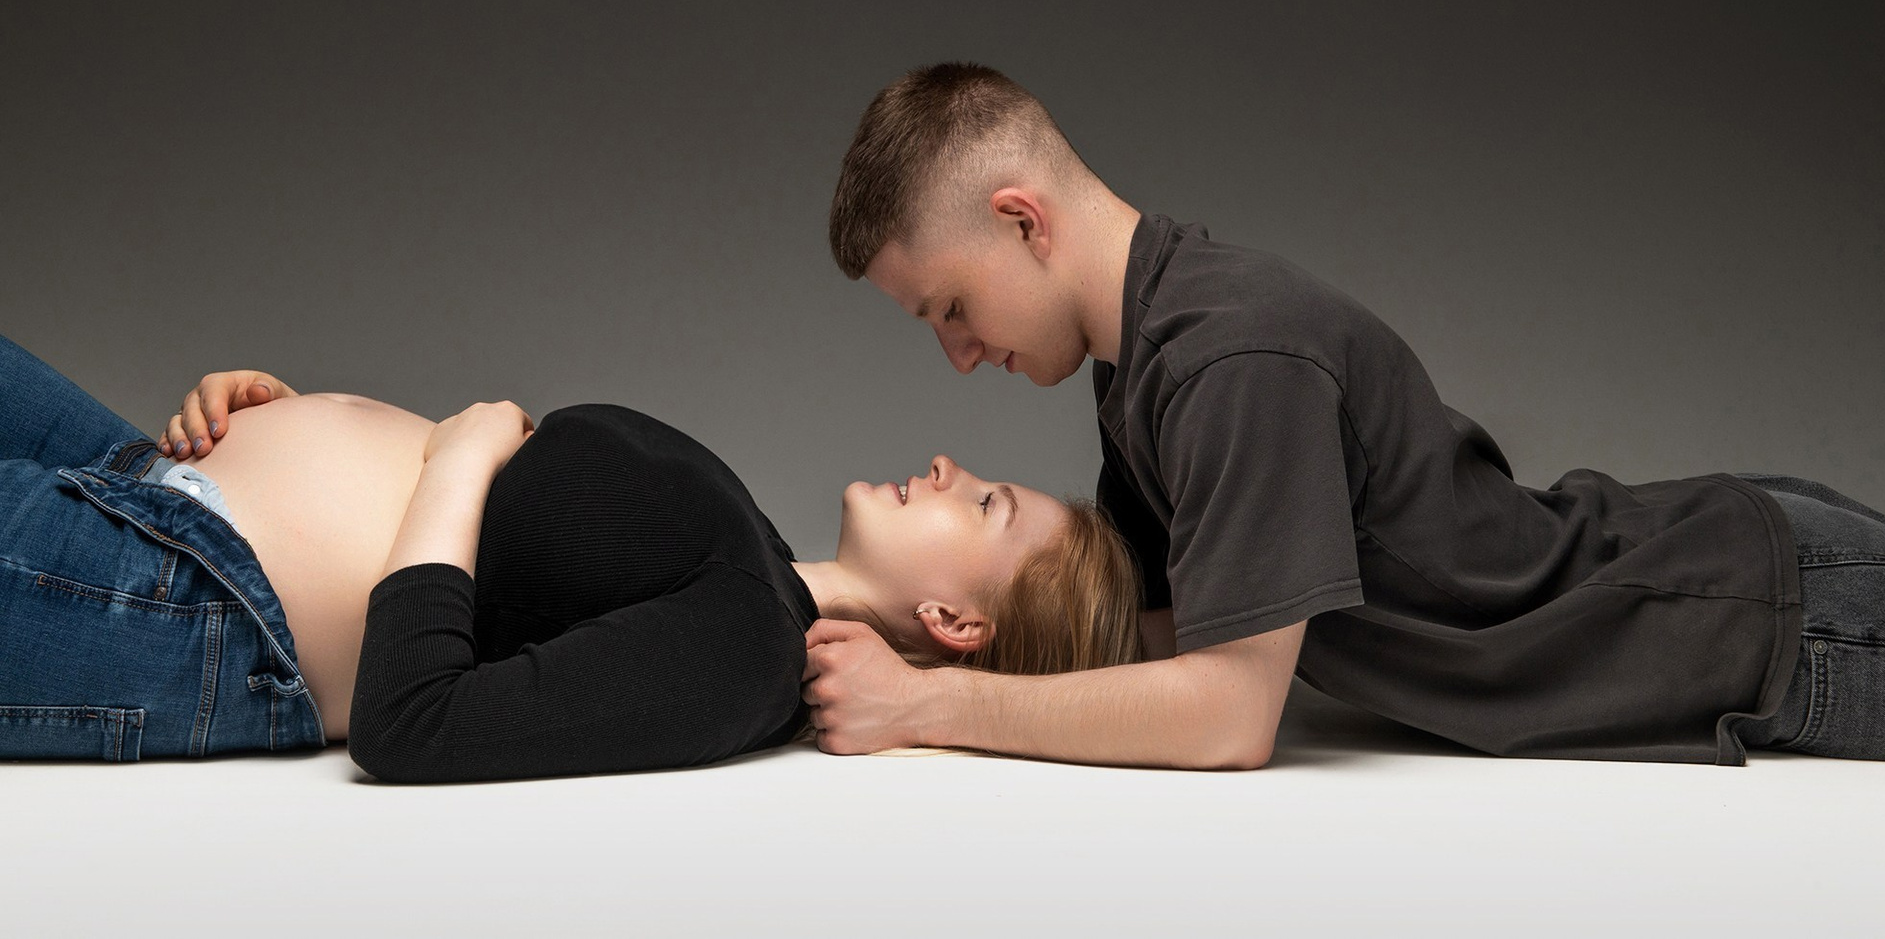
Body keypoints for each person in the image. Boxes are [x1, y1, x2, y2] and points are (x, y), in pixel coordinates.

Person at [805, 61, 1885, 766]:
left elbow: (1228, 714)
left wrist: (923, 710)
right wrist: (836, 599)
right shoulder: (1145, 361)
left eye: (952, 308)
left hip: (1766, 615)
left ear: (1022, 221)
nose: (958, 357)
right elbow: (1140, 635)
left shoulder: (1229, 362)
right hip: (1734, 580)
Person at [0, 332, 1140, 777]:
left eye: (984, 505)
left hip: (173, 593)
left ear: (957, 625)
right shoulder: (753, 554)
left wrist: (459, 456)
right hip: (149, 473)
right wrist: (284, 419)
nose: (947, 466)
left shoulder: (747, 652)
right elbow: (503, 556)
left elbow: (411, 720)